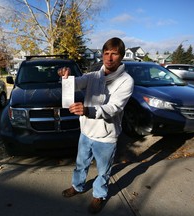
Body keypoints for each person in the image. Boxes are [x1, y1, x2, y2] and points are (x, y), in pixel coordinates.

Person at [58, 37, 134, 214]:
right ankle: (77, 186)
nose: (109, 58)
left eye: (114, 54)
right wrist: (66, 77)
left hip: (106, 136)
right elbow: (76, 83)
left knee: (103, 171)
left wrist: (87, 110)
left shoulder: (126, 81)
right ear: (102, 55)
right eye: (106, 53)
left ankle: (99, 195)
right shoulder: (93, 76)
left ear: (121, 56)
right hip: (86, 132)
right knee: (80, 164)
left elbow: (113, 108)